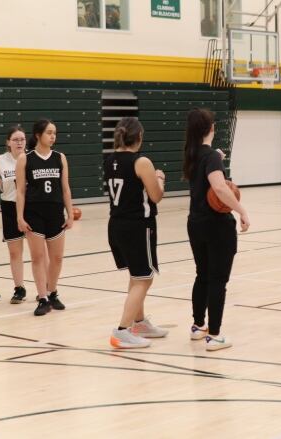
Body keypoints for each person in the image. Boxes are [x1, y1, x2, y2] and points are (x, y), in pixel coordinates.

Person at [183, 108, 249, 351]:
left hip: (195, 224)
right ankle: (215, 335)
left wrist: (216, 158)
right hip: (216, 226)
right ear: (211, 128)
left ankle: (198, 326)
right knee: (218, 280)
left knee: (202, 274)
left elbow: (208, 169)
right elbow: (220, 189)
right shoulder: (211, 157)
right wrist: (241, 210)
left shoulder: (193, 154)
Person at [104, 117, 168, 348]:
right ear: (139, 137)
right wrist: (160, 178)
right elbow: (156, 196)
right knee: (144, 278)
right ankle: (122, 330)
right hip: (137, 226)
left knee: (136, 275)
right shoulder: (141, 162)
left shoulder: (109, 159)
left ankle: (139, 322)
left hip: (116, 224)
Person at [16, 119, 74, 316]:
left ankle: (52, 291)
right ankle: (42, 298)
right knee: (38, 257)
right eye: (49, 133)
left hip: (56, 212)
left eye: (54, 133)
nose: (53, 136)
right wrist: (19, 217)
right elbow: (20, 191)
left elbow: (65, 189)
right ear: (38, 135)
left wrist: (71, 213)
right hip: (34, 213)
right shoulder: (25, 159)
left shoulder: (60, 157)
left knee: (57, 258)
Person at [0, 126, 28, 304]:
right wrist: (0, 184)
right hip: (9, 206)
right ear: (8, 142)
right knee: (15, 252)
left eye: (22, 139)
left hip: (30, 207)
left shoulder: (30, 158)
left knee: (39, 252)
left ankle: (45, 289)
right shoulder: (1, 160)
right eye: (16, 139)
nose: (19, 142)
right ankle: (19, 288)